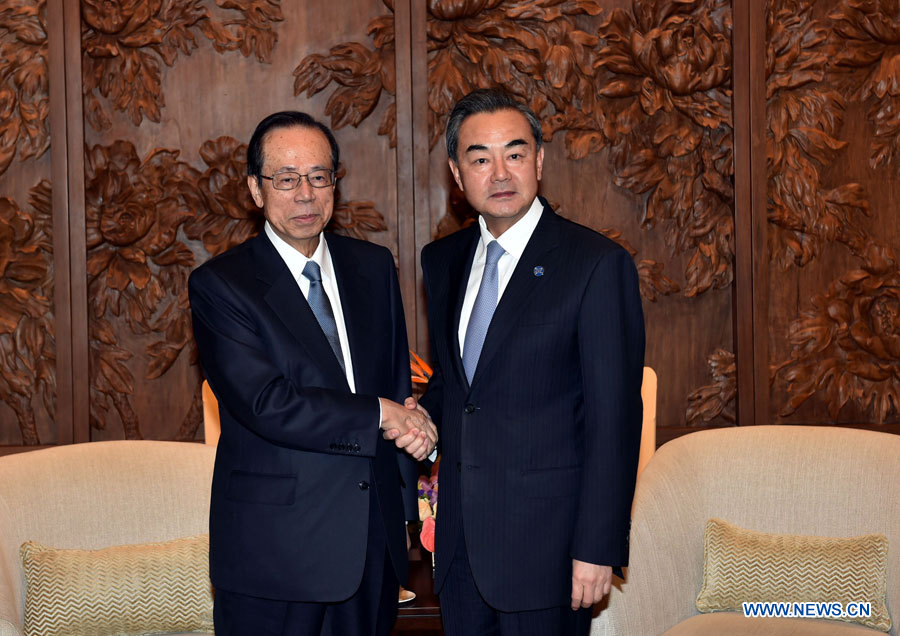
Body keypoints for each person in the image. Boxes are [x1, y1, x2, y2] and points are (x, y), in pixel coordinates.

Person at [188, 110, 437, 636]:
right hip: (274, 553)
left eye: (319, 177)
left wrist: (411, 456)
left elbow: (393, 384)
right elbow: (266, 403)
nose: (305, 194)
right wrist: (381, 414)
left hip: (371, 547)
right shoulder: (222, 285)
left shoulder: (373, 267)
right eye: (286, 178)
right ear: (256, 189)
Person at [419, 88, 645, 636]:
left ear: (539, 161)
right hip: (460, 550)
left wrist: (596, 548)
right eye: (480, 158)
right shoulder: (441, 260)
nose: (500, 172)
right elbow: (460, 385)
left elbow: (614, 419)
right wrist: (416, 414)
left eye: (515, 154)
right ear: (456, 171)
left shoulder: (595, 264)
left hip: (549, 551)